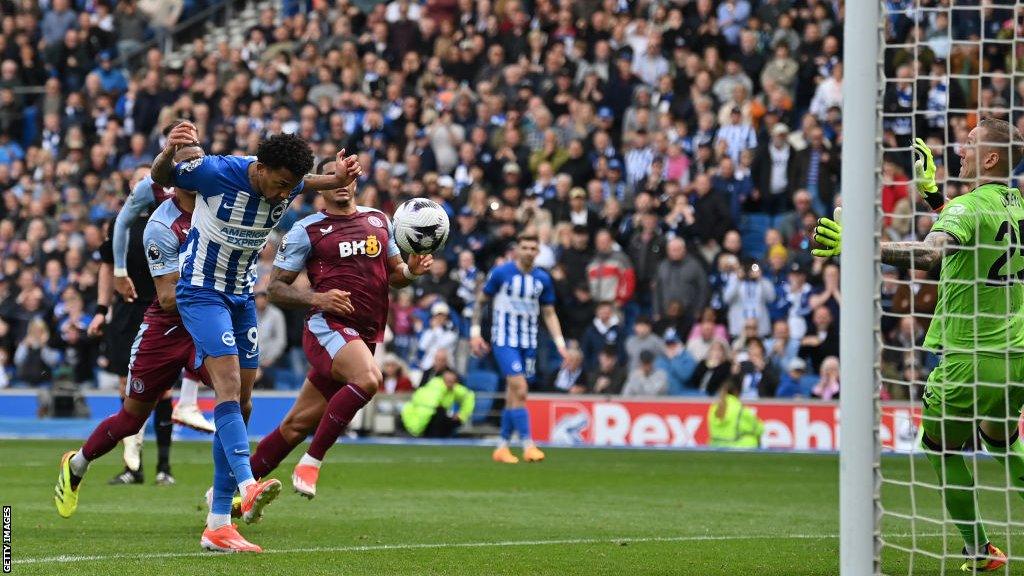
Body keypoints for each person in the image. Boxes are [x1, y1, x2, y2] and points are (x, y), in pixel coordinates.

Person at [813, 118, 1024, 571]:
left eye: (969, 145)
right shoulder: (1017, 203)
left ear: (990, 158)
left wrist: (862, 244)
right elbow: (979, 230)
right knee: (999, 437)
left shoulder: (966, 209)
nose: (960, 151)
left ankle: (979, 549)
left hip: (971, 353)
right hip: (1017, 352)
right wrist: (933, 197)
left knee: (940, 446)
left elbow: (932, 254)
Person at [150, 122, 362, 552]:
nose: (285, 194)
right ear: (260, 168)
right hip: (201, 290)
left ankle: (217, 524)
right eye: (280, 184)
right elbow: (161, 176)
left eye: (291, 187)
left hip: (243, 295)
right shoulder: (216, 172)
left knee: (243, 401)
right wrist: (169, 152)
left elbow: (307, 181)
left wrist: (336, 179)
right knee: (226, 386)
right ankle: (248, 483)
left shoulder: (288, 181)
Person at [249, 159, 430, 502]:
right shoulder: (307, 229)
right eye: (334, 178)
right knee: (368, 379)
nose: (342, 183)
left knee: (296, 425)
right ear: (322, 184)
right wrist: (319, 297)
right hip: (326, 327)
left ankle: (226, 490)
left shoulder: (378, 220)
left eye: (347, 178)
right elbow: (275, 289)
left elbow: (394, 274)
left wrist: (413, 271)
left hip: (363, 335)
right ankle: (311, 462)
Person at [55, 142, 217, 518]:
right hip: (153, 312)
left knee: (236, 393)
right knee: (133, 410)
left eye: (198, 161)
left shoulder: (217, 194)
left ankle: (232, 488)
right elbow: (118, 233)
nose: (193, 168)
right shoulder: (153, 205)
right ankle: (86, 463)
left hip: (202, 313)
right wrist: (116, 277)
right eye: (183, 161)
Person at [107, 124, 214, 436]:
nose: (194, 154)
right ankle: (138, 437)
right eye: (184, 144)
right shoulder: (152, 187)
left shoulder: (212, 182)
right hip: (164, 268)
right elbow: (123, 222)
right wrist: (119, 270)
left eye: (196, 144)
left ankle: (189, 403)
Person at [471, 232, 569, 464]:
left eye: (532, 248)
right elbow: (481, 301)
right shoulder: (502, 273)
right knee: (521, 389)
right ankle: (528, 444)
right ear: (517, 249)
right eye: (524, 247)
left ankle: (502, 447)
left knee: (513, 394)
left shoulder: (542, 279)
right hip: (504, 340)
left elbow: (548, 312)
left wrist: (560, 344)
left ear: (538, 252)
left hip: (529, 342)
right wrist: (475, 333)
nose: (528, 252)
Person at [400, 368, 476, 438]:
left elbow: (468, 396)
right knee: (440, 413)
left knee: (447, 417)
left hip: (433, 418)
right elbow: (426, 410)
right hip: (422, 418)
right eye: (448, 381)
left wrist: (462, 415)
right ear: (443, 379)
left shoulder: (453, 388)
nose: (450, 383)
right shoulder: (434, 387)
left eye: (452, 381)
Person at [706, 378, 765, 449]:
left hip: (715, 447)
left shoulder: (714, 407)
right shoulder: (740, 409)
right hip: (739, 448)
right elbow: (759, 429)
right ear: (737, 392)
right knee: (752, 438)